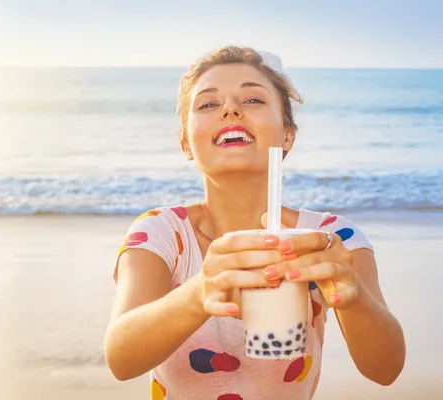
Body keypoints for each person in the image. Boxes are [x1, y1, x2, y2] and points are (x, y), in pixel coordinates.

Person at [104, 46, 405, 400]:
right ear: (186, 143)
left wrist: (352, 297)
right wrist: (202, 291)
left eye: (253, 100)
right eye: (208, 104)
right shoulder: (159, 233)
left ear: (288, 134)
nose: (230, 109)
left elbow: (385, 370)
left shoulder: (331, 240)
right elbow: (121, 359)